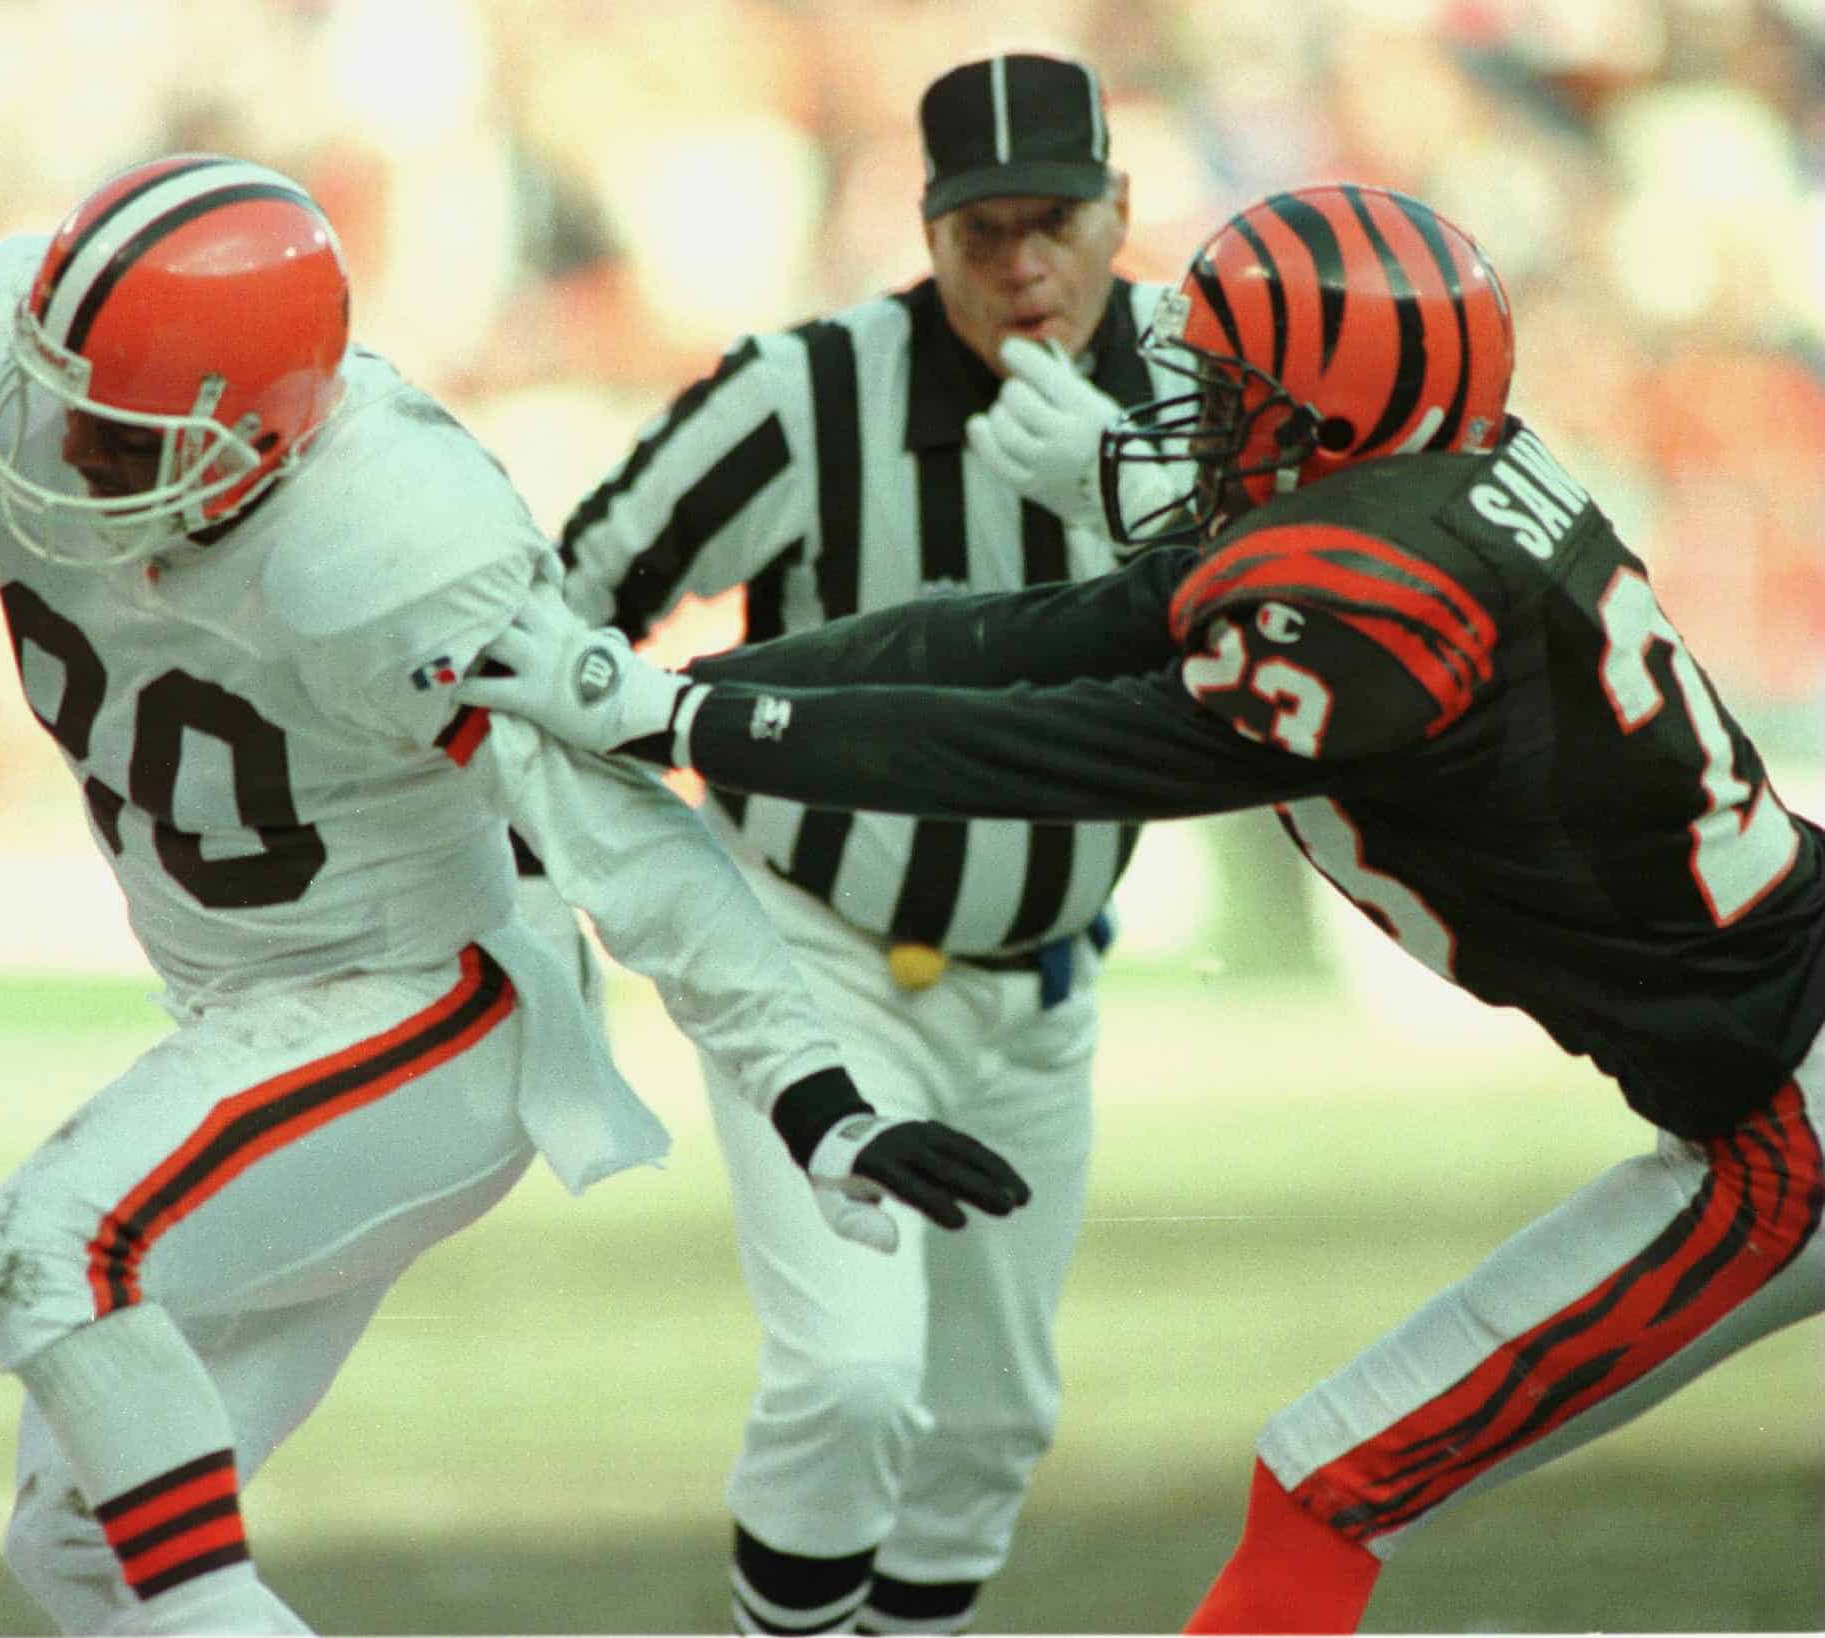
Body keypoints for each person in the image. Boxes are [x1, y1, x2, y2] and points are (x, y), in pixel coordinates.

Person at [0, 156, 1033, 1637]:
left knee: (49, 1246)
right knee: (84, 1547)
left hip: (427, 1006)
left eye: (121, 433)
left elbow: (628, 844)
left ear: (259, 434)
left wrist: (814, 1093)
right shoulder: (31, 356)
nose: (66, 448)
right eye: (62, 396)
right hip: (249, 1009)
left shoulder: (396, 545)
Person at [460, 181, 1825, 1634]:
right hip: (1776, 1057)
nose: (1196, 408)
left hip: (1783, 1122)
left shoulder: (1366, 593)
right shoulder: (1443, 489)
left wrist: (689, 725)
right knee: (1326, 1471)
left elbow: (1030, 750)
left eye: (1234, 387)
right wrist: (673, 699)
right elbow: (1004, 636)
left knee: (1326, 1480)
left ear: (1331, 420)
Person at [517, 50, 1190, 1638]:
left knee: (987, 1424)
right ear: (926, 229)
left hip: (1039, 981)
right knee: (851, 1375)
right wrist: (589, 862)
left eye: (1055, 223)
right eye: (982, 232)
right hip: (815, 944)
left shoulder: (1200, 374)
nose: (1024, 265)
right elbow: (568, 605)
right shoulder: (808, 391)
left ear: (1121, 212)